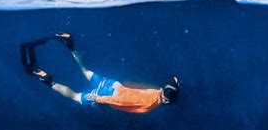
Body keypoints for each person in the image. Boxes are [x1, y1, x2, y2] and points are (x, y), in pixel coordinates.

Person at [20, 33, 180, 113]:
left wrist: (175, 83)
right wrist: (99, 99)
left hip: (114, 85)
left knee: (86, 70)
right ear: (165, 101)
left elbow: (170, 87)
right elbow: (124, 101)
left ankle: (70, 45)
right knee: (76, 97)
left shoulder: (159, 90)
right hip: (108, 94)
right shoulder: (151, 102)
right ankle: (48, 81)